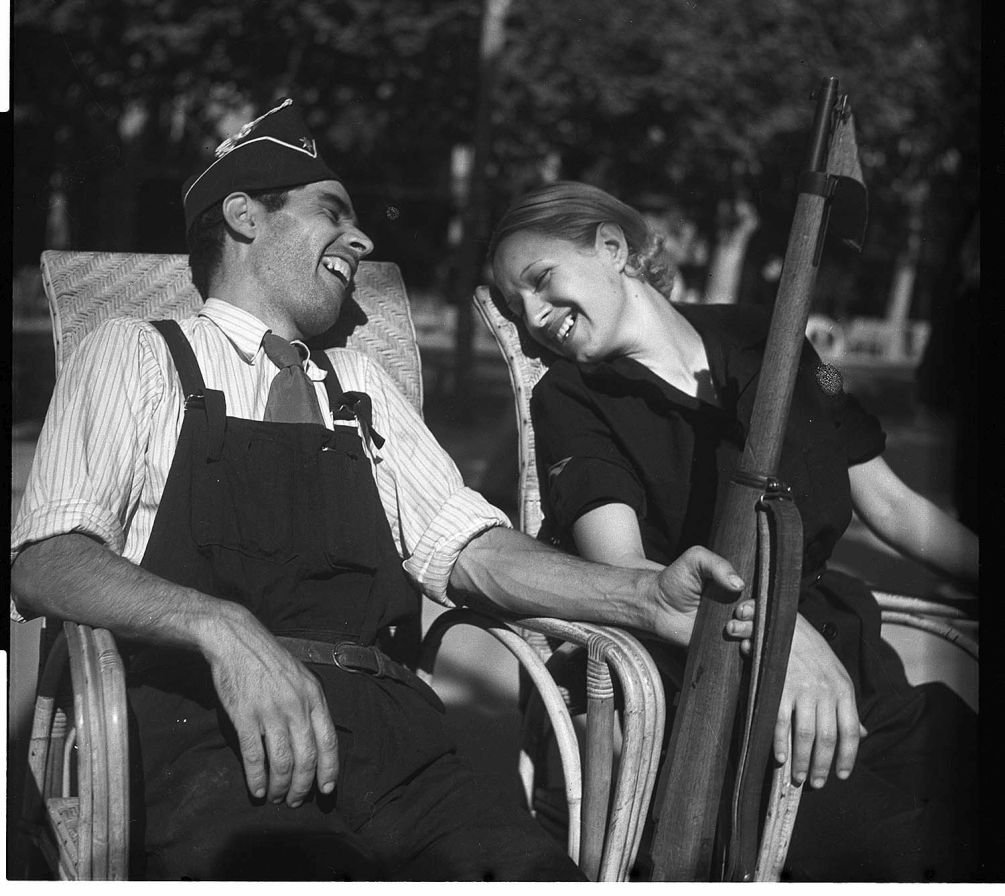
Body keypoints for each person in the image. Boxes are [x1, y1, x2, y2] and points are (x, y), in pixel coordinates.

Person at [10, 102, 753, 882]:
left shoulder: (359, 383)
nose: (363, 240)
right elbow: (47, 558)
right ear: (242, 216)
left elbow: (471, 551)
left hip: (400, 746)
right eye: (333, 212)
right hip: (209, 730)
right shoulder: (137, 352)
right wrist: (221, 627)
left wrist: (641, 597)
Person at [488, 181, 980, 882]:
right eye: (516, 306)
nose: (534, 316)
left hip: (859, 670)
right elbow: (628, 573)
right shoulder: (570, 397)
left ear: (610, 247)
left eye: (540, 282)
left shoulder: (763, 333)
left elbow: (894, 508)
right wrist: (778, 635)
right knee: (904, 855)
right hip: (718, 694)